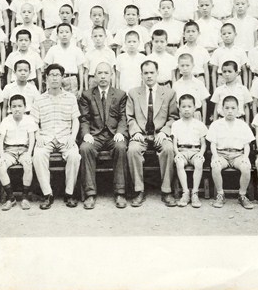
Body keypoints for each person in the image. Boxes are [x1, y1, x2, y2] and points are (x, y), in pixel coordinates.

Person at [126, 60, 179, 207]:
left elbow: (173, 117)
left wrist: (165, 132)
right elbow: (129, 116)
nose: (149, 76)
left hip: (160, 134)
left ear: (157, 73)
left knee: (168, 149)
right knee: (132, 150)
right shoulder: (133, 93)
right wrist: (135, 131)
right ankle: (139, 190)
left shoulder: (169, 93)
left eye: (152, 72)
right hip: (141, 134)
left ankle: (166, 191)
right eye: (146, 73)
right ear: (141, 75)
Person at [31, 64, 82, 209]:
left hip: (65, 137)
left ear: (62, 77)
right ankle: (47, 194)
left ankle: (69, 193)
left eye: (57, 75)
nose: (54, 78)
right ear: (46, 78)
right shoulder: (39, 99)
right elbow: (34, 122)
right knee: (38, 155)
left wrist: (72, 137)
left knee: (74, 156)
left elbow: (75, 120)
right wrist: (37, 136)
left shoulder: (70, 98)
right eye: (51, 75)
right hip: (45, 137)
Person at [78, 62, 128, 209]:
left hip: (113, 135)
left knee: (120, 147)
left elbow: (123, 117)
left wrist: (120, 132)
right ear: (94, 76)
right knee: (85, 148)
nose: (103, 76)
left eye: (106, 73)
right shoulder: (87, 95)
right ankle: (90, 193)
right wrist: (86, 133)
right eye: (99, 73)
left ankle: (120, 192)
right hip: (95, 135)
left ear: (111, 75)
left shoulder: (120, 95)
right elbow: (84, 118)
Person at [206, 95, 255, 210]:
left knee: (246, 167)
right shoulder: (216, 124)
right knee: (215, 166)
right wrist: (215, 156)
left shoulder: (242, 125)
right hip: (221, 154)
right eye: (227, 108)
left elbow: (246, 144)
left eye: (233, 108)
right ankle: (220, 194)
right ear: (222, 109)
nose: (230, 111)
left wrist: (245, 157)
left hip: (238, 154)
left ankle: (242, 195)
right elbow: (212, 144)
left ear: (238, 109)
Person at [0, 94, 38, 210]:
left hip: (24, 150)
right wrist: (2, 156)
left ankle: (25, 197)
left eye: (20, 106)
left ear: (25, 107)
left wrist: (29, 154)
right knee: (1, 166)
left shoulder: (29, 120)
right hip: (9, 150)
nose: (17, 109)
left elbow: (32, 139)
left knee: (28, 165)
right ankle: (11, 198)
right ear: (10, 108)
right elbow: (0, 140)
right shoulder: (6, 120)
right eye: (14, 106)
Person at [172, 94, 208, 208]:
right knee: (179, 163)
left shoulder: (199, 124)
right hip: (182, 151)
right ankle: (185, 192)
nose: (186, 109)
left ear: (194, 108)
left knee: (199, 163)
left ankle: (195, 193)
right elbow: (174, 142)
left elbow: (203, 143)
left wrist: (201, 154)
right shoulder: (176, 124)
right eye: (183, 107)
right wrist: (177, 153)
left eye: (189, 106)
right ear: (179, 108)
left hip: (195, 151)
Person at [43, 23, 85, 96]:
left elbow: (80, 69)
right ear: (57, 35)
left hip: (71, 79)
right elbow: (48, 69)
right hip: (56, 79)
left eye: (67, 32)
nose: (64, 35)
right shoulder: (53, 49)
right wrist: (48, 86)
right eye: (61, 32)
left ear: (71, 34)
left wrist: (81, 88)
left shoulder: (77, 50)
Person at [209, 23, 248, 91]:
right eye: (224, 34)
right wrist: (215, 88)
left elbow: (244, 70)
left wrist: (245, 87)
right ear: (221, 36)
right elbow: (214, 71)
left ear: (235, 34)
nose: (227, 36)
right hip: (222, 80)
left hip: (237, 80)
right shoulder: (217, 51)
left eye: (229, 33)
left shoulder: (240, 51)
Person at [172, 53, 210, 121]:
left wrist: (203, 122)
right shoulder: (176, 85)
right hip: (181, 116)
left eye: (187, 65)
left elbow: (204, 103)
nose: (185, 68)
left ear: (193, 66)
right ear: (178, 66)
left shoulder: (199, 83)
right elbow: (174, 104)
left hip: (196, 115)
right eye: (182, 65)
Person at [175, 21, 210, 91]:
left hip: (199, 79)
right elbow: (178, 71)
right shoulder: (180, 51)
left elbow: (206, 70)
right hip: (184, 80)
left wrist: (207, 88)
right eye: (188, 32)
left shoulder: (203, 50)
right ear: (183, 34)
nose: (190, 34)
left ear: (198, 33)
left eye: (193, 31)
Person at [83, 26, 117, 90]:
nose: (98, 38)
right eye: (95, 36)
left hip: (107, 80)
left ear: (105, 37)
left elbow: (113, 72)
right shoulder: (88, 53)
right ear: (91, 38)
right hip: (93, 80)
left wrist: (113, 87)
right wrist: (87, 89)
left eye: (100, 36)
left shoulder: (110, 53)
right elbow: (86, 73)